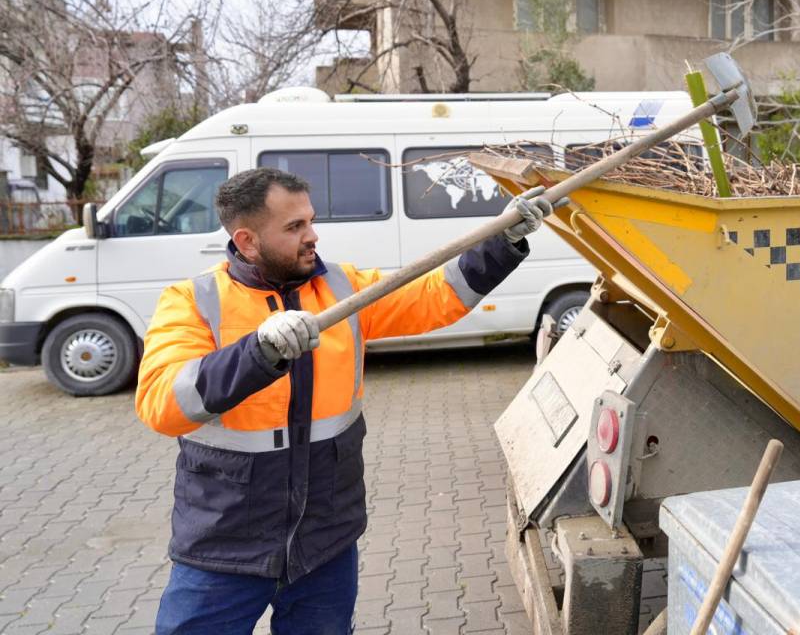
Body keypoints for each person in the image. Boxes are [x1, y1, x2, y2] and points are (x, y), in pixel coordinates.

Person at [135, 166, 553, 633]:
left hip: (324, 544)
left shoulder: (340, 288)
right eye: (294, 227)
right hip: (224, 547)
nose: (312, 236)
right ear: (248, 240)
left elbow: (435, 296)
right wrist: (257, 353)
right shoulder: (193, 301)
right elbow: (162, 403)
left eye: (311, 221)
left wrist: (502, 242)